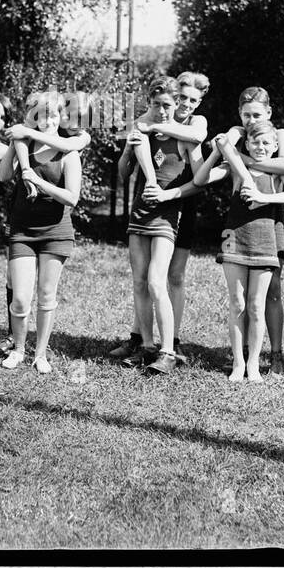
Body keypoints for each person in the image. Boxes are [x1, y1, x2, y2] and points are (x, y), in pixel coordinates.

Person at [107, 72, 209, 363]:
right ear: (151, 102)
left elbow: (200, 177)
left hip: (170, 212)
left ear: (175, 103)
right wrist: (129, 145)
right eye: (157, 104)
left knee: (159, 280)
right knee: (140, 282)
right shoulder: (144, 130)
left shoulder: (190, 131)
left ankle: (168, 348)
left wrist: (167, 195)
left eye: (169, 104)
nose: (163, 109)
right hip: (141, 211)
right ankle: (145, 345)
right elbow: (125, 173)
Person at [194, 121, 284, 382]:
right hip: (235, 239)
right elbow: (200, 179)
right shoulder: (236, 168)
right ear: (246, 144)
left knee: (256, 306)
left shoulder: (278, 173)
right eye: (255, 142)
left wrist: (265, 197)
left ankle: (253, 365)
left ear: (276, 146)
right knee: (238, 303)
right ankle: (238, 364)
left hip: (265, 242)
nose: (261, 147)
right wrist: (218, 151)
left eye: (267, 143)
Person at [0, 92, 82, 373]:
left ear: (60, 118)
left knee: (46, 296)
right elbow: (2, 176)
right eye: (42, 115)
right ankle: (19, 349)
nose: (48, 120)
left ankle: (40, 354)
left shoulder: (68, 152)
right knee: (20, 298)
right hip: (22, 230)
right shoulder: (25, 145)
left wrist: (40, 183)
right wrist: (15, 142)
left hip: (56, 232)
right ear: (33, 118)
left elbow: (72, 198)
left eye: (53, 115)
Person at [219, 87, 284, 375]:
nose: (252, 120)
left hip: (271, 219)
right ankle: (242, 355)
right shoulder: (240, 135)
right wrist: (234, 135)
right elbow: (221, 147)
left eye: (257, 114)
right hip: (241, 222)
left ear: (269, 113)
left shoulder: (281, 135)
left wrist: (245, 160)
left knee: (271, 291)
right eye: (246, 114)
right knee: (242, 299)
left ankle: (275, 355)